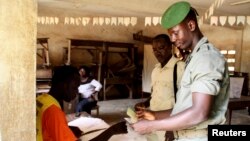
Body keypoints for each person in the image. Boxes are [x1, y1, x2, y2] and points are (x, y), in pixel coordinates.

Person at [131, 1, 230, 141]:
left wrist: (152, 125)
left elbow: (199, 113)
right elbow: (184, 108)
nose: (172, 39)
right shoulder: (194, 58)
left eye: (175, 33)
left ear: (191, 25)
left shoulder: (206, 58)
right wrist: (154, 115)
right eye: (171, 35)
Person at [134, 34, 185, 141]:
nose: (157, 52)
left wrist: (172, 128)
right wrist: (145, 104)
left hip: (169, 124)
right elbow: (154, 95)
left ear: (170, 47)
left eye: (161, 48)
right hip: (153, 122)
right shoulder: (155, 70)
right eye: (154, 49)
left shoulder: (179, 68)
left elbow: (185, 102)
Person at [36, 65, 83, 141]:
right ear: (63, 85)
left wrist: (66, 128)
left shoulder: (40, 99)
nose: (77, 92)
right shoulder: (53, 111)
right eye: (74, 87)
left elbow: (46, 126)